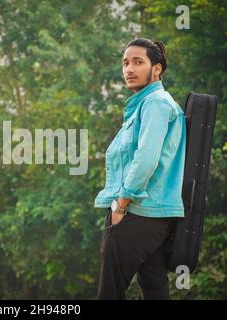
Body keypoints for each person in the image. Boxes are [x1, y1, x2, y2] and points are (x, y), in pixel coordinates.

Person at [94, 38, 186, 300]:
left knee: (109, 292)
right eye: (125, 63)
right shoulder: (145, 105)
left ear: (156, 69)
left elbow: (146, 159)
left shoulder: (155, 103)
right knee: (155, 289)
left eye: (138, 62)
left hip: (138, 210)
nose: (129, 69)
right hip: (154, 214)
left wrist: (121, 205)